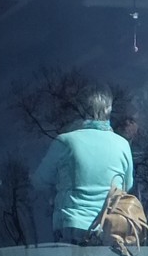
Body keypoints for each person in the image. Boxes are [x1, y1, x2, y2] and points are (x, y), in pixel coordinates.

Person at [31, 86, 134, 244]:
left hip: (72, 230)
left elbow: (39, 181)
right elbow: (127, 186)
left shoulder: (65, 141)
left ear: (80, 111)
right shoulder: (123, 145)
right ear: (109, 111)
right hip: (111, 230)